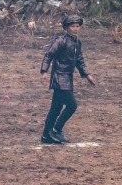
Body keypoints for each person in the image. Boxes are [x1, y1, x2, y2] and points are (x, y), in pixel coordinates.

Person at [40, 13, 97, 144]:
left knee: (55, 108)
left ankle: (45, 136)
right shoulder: (61, 41)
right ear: (66, 28)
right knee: (72, 105)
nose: (76, 29)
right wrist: (44, 71)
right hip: (59, 78)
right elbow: (48, 55)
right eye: (73, 26)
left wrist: (87, 75)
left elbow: (79, 60)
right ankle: (56, 129)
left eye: (78, 26)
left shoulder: (77, 43)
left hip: (68, 78)